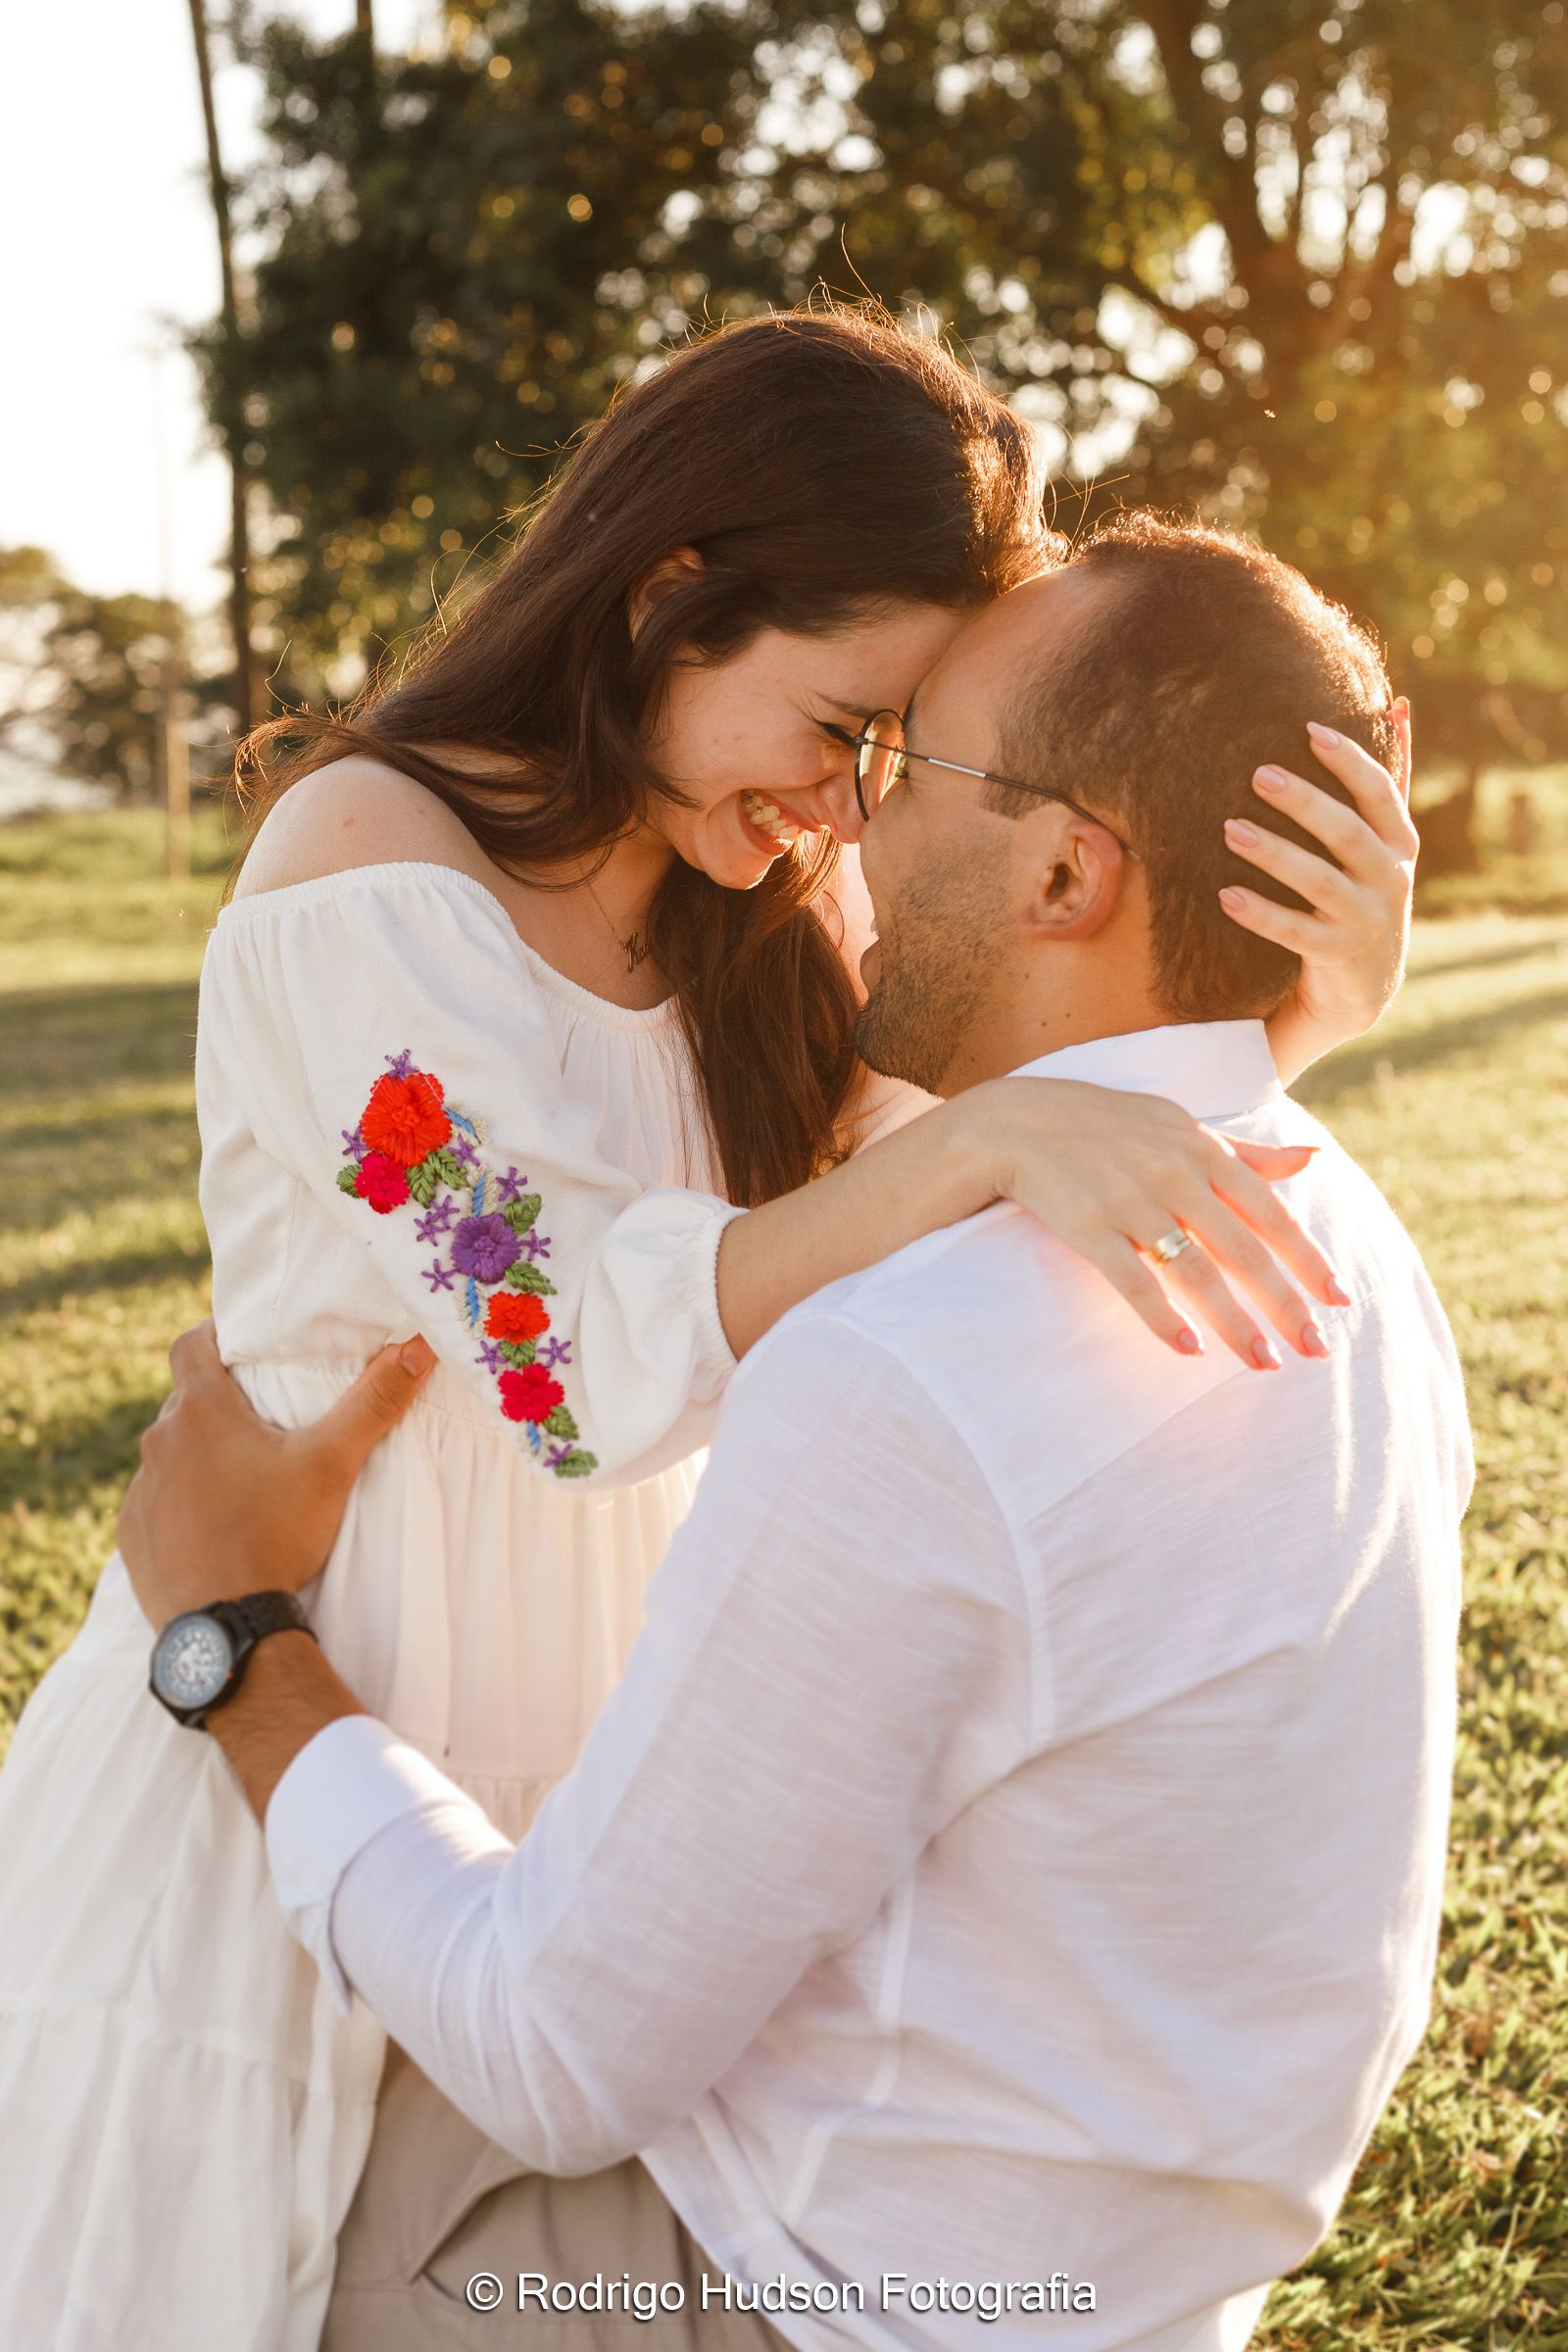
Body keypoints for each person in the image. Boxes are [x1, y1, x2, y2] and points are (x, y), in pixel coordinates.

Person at [0, 313, 1408, 2352]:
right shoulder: (358, 880)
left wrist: (1279, 1027)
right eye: (838, 723)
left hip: (615, 1687)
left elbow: (1020, 1156)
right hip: (335, 1643)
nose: (853, 806)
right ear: (673, 600)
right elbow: (542, 1340)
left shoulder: (765, 898)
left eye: (895, 753)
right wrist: (961, 1152)